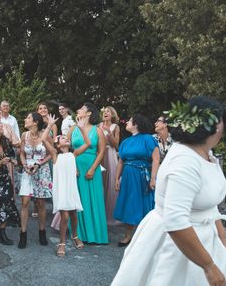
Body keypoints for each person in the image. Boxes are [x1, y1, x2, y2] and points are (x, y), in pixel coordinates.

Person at [83, 97, 226, 286]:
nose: (222, 127)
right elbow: (176, 222)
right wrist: (208, 266)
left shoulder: (208, 156)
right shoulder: (184, 161)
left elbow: (210, 206)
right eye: (219, 121)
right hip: (177, 247)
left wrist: (223, 241)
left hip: (206, 241)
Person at [42, 115, 87, 257]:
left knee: (74, 215)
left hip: (71, 189)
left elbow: (88, 143)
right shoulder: (55, 155)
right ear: (57, 144)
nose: (65, 138)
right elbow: (43, 139)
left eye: (66, 138)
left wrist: (81, 129)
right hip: (61, 190)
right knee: (65, 216)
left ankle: (75, 236)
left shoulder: (73, 154)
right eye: (62, 138)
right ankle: (61, 243)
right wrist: (49, 125)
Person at [113, 114, 160, 246]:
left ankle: (146, 237)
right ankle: (128, 236)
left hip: (141, 176)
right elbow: (121, 162)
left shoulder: (148, 139)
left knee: (144, 204)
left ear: (136, 124)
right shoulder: (126, 142)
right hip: (128, 176)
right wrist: (117, 178)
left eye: (129, 121)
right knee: (129, 204)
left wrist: (153, 178)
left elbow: (156, 158)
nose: (127, 122)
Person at [69, 103, 108, 244]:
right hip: (75, 166)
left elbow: (102, 152)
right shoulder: (73, 129)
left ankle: (95, 234)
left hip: (92, 166)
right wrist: (73, 167)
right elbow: (67, 148)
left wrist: (92, 169)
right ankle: (78, 233)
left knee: (92, 199)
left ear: (89, 113)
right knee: (77, 199)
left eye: (82, 108)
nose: (78, 109)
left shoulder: (97, 131)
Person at [17, 112, 53, 248]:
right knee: (25, 202)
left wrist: (39, 164)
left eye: (28, 118)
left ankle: (42, 232)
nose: (25, 119)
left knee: (40, 203)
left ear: (36, 122)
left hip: (42, 169)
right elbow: (21, 153)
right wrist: (25, 165)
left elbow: (52, 153)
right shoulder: (24, 135)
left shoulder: (45, 135)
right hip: (27, 170)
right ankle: (23, 234)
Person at [99, 106, 120, 226]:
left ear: (112, 115)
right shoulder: (98, 126)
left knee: (110, 182)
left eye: (108, 111)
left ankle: (109, 215)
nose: (106, 113)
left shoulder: (115, 127)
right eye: (104, 111)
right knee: (100, 182)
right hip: (100, 154)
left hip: (110, 154)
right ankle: (99, 213)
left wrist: (109, 133)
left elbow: (116, 145)